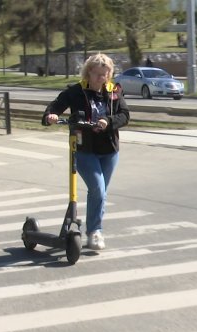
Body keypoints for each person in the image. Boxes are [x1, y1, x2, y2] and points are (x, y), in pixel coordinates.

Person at [41, 53, 130, 250]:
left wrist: (108, 121)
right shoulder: (76, 91)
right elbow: (56, 105)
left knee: (100, 193)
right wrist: (51, 115)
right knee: (98, 189)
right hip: (84, 148)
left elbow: (124, 115)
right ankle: (96, 231)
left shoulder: (114, 90)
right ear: (88, 72)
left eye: (106, 74)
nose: (103, 78)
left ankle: (92, 231)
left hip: (109, 149)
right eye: (98, 74)